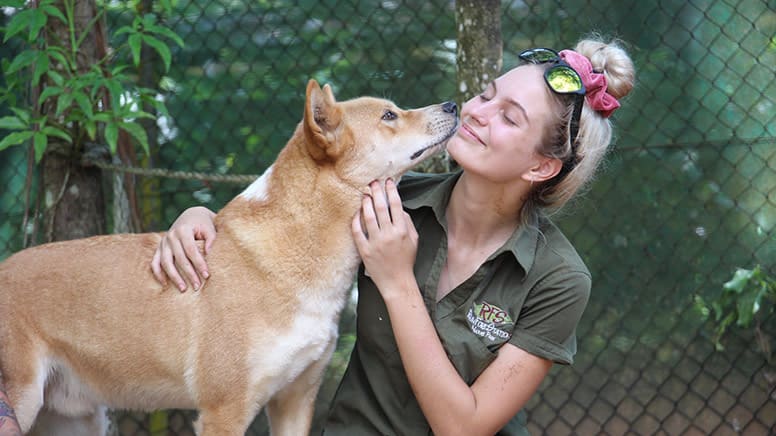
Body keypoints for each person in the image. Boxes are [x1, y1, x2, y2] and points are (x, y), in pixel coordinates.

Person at [0, 37, 634, 435]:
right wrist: (195, 219)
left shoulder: (556, 276)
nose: (470, 108)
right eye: (487, 94)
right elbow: (282, 212)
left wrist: (393, 278)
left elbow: (464, 427)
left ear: (540, 166)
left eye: (507, 115)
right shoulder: (385, 201)